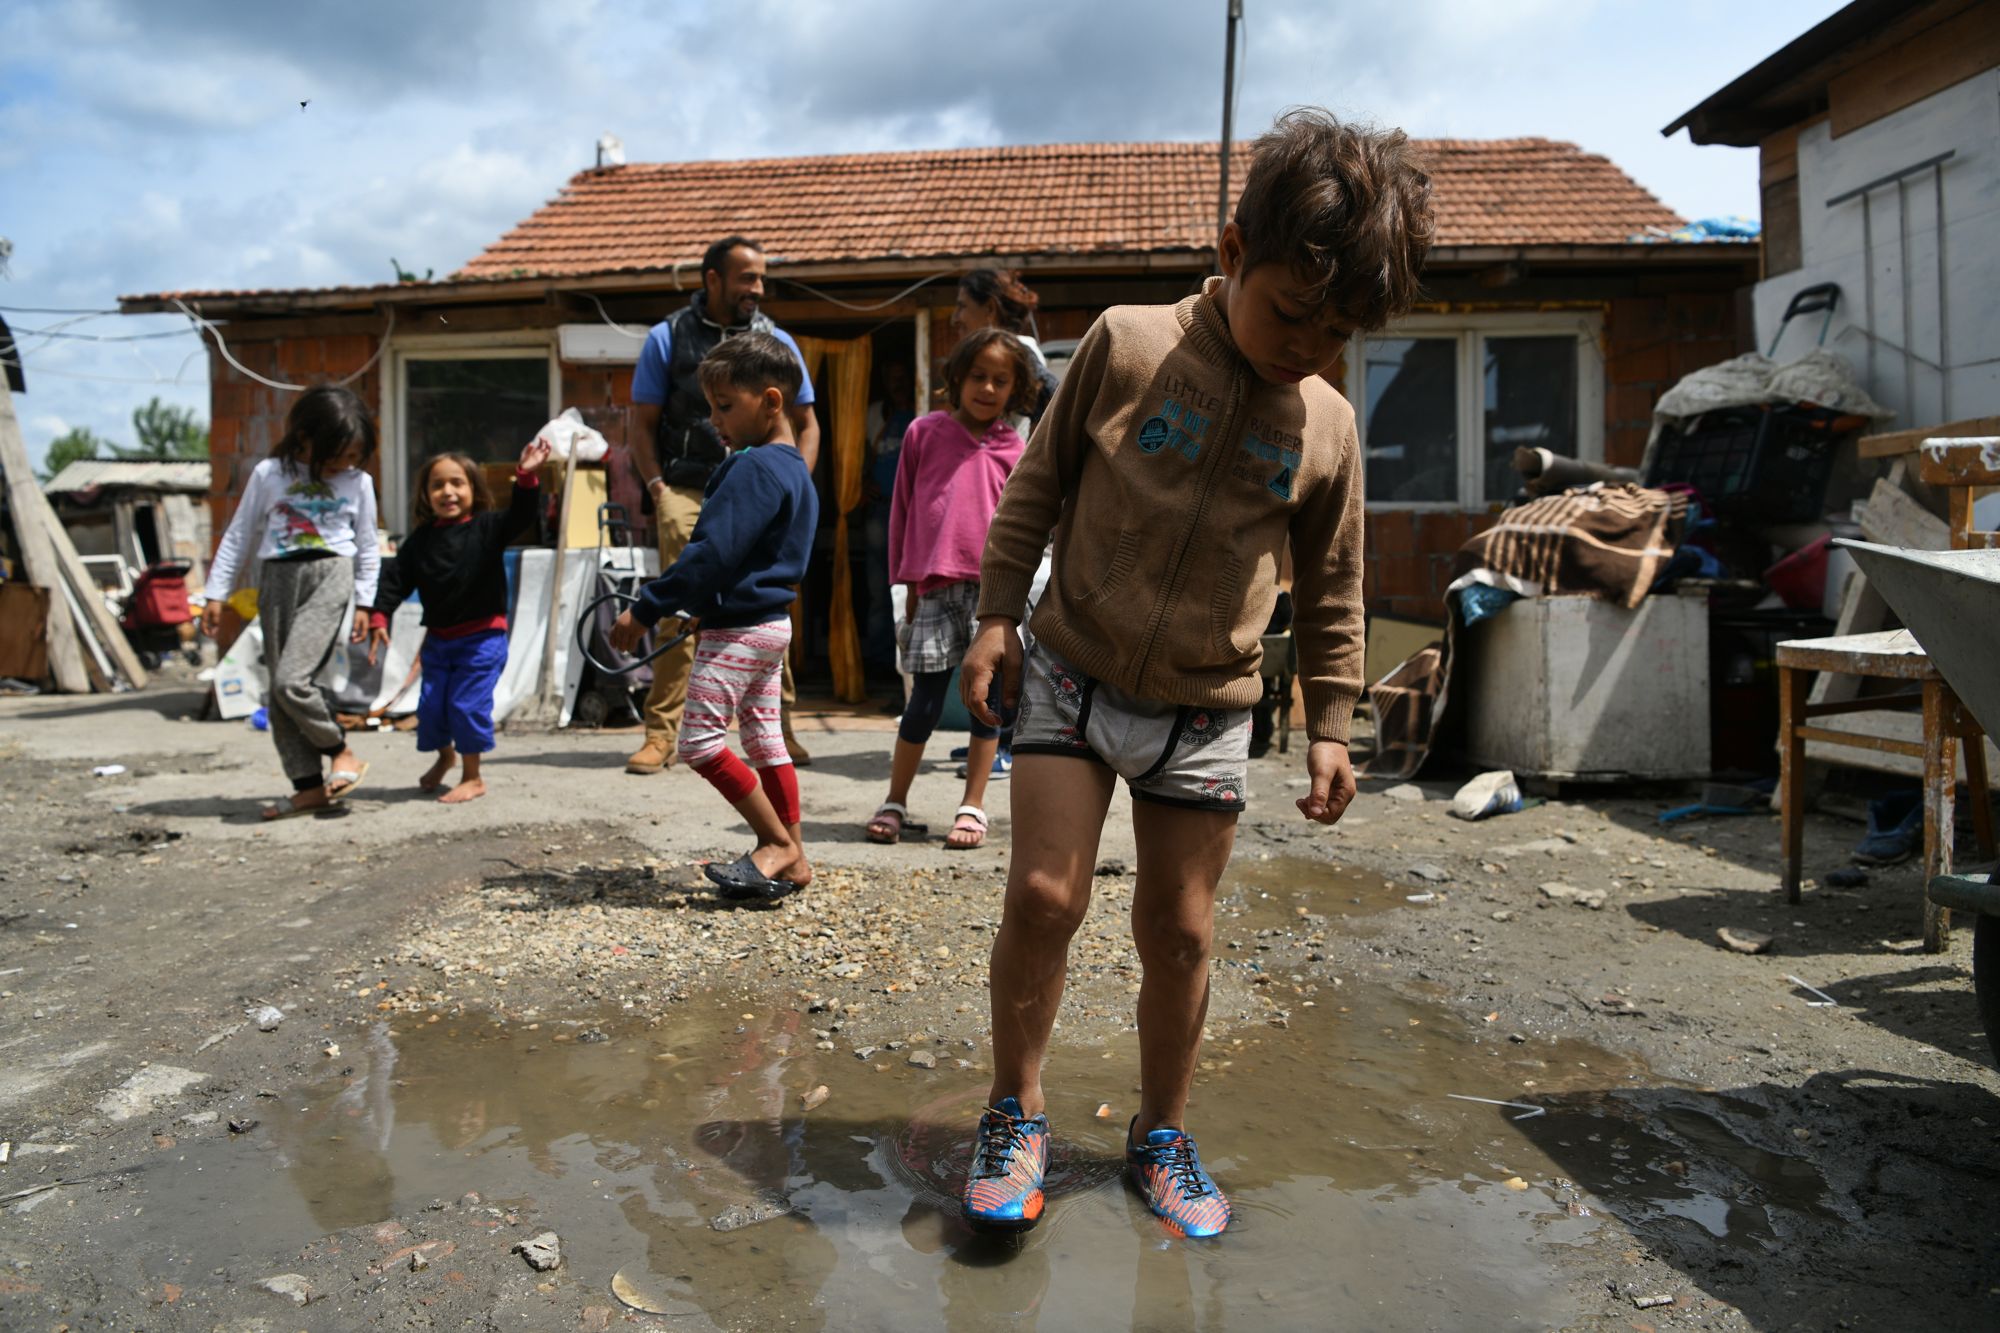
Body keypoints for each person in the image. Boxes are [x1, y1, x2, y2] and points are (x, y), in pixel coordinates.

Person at [954, 109, 1434, 1238]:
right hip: (1070, 670)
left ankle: (1160, 1129)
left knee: (1179, 931)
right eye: (1288, 311)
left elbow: (1331, 584)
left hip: (1208, 712)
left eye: (1334, 334)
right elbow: (1035, 490)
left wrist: (1329, 718)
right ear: (1230, 253)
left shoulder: (1324, 425)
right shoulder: (1124, 344)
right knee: (1042, 895)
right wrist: (992, 617)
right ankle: (1013, 1112)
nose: (1301, 346)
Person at [609, 333, 819, 900]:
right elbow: (753, 558)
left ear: (772, 402)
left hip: (740, 632)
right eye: (710, 406)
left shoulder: (751, 467)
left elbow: (712, 556)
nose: (713, 419)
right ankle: (794, 862)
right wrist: (709, 607)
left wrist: (646, 607)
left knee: (699, 743)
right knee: (765, 740)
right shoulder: (794, 466)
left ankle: (775, 845)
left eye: (725, 406)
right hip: (770, 625)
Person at [624, 235, 821, 777]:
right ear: (713, 280)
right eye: (747, 278)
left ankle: (777, 727)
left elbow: (806, 423)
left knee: (760, 599)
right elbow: (640, 423)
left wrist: (792, 481)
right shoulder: (667, 337)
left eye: (761, 278)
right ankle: (661, 731)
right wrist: (659, 489)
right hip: (687, 485)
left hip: (759, 479)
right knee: (685, 596)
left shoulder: (775, 340)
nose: (757, 288)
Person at [862, 329, 1035, 851]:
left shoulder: (1014, 446)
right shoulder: (924, 432)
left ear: (1013, 389)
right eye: (977, 377)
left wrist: (1014, 596)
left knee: (985, 705)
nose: (986, 388)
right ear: (956, 379)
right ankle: (895, 800)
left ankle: (972, 805)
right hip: (932, 587)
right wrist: (906, 579)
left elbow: (1023, 524)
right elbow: (903, 510)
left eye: (999, 381)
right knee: (924, 704)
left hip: (992, 595)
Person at [200, 385, 384, 820]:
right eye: (338, 453)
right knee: (279, 695)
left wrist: (364, 602)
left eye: (355, 455)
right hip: (278, 579)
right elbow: (240, 532)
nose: (346, 464)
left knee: (291, 680)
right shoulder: (270, 474)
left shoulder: (359, 483)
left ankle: (341, 751)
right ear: (304, 437)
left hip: (331, 576)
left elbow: (368, 544)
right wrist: (215, 592)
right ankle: (308, 788)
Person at [363, 438, 550, 803]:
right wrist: (380, 617)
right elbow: (395, 580)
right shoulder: (419, 542)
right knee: (432, 709)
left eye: (457, 483)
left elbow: (522, 516)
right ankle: (446, 757)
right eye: (437, 485)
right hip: (438, 642)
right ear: (425, 494)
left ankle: (473, 776)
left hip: (482, 640)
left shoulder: (487, 528)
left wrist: (526, 476)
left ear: (472, 489)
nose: (447, 491)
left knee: (466, 706)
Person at [953, 267, 1061, 431]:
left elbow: (1055, 397)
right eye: (978, 377)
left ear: (990, 309)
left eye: (962, 306)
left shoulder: (1020, 356)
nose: (954, 319)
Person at [861, 361, 917, 671]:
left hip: (912, 514)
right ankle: (880, 666)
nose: (897, 383)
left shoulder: (921, 413)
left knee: (909, 588)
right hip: (881, 510)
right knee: (879, 590)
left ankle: (903, 668)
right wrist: (861, 482)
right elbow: (858, 457)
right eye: (891, 377)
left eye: (902, 377)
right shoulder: (876, 414)